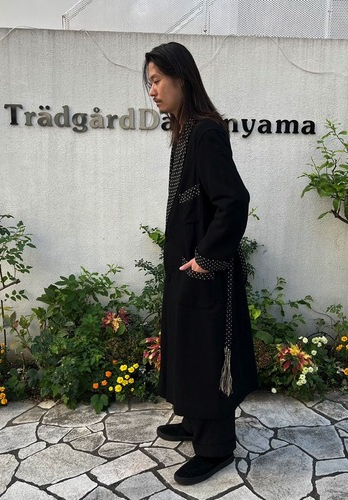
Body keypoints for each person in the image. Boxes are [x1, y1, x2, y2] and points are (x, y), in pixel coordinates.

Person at [143, 42, 258, 486]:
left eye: (156, 80)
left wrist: (207, 259)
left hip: (207, 273)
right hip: (187, 269)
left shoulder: (205, 132)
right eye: (149, 83)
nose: (152, 91)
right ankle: (194, 421)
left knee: (207, 355)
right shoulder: (184, 132)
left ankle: (216, 448)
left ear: (181, 78)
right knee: (188, 348)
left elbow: (234, 201)